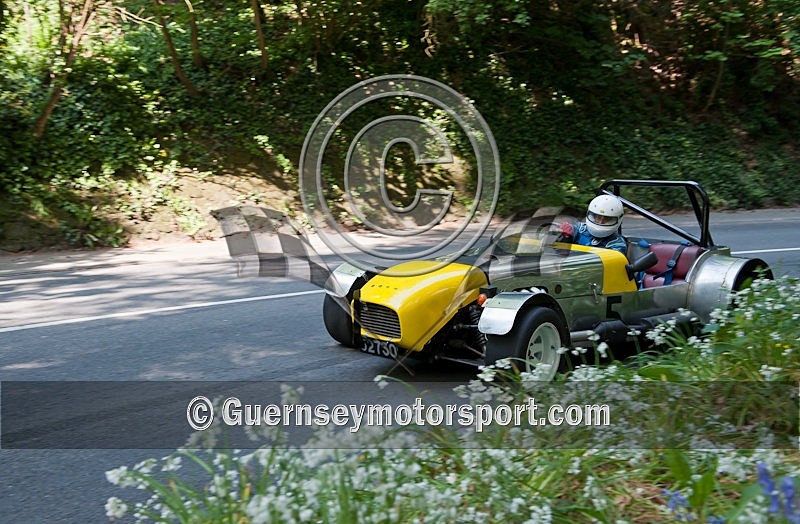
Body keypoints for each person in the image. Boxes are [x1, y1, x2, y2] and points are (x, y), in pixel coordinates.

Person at [558, 194, 627, 255]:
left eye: (606, 219)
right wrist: (565, 234)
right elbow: (558, 251)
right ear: (592, 215)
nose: (600, 222)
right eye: (598, 217)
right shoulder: (580, 229)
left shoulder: (617, 244)